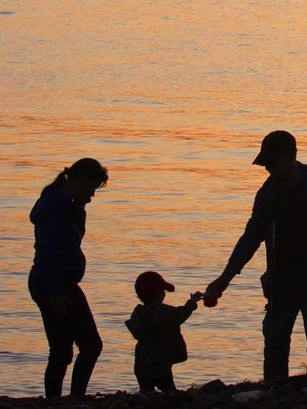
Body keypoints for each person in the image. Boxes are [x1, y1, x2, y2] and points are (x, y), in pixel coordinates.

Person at [206, 131, 307, 381]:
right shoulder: (267, 194)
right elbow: (251, 238)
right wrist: (224, 278)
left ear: (291, 155)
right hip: (281, 281)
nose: (269, 168)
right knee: (274, 345)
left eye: (272, 162)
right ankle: (274, 391)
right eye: (266, 163)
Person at [28, 158, 109, 400]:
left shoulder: (62, 203)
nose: (93, 195)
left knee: (62, 349)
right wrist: (55, 293)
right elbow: (50, 250)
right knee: (89, 346)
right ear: (81, 179)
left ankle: (58, 399)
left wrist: (79, 208)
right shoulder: (59, 206)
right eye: (92, 187)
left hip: (51, 281)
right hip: (54, 283)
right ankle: (73, 398)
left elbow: (68, 240)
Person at [125, 271, 203, 393]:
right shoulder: (166, 312)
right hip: (161, 365)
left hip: (141, 365)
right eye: (163, 291)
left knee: (146, 392)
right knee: (169, 391)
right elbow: (181, 314)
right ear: (159, 293)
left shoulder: (137, 314)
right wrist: (193, 301)